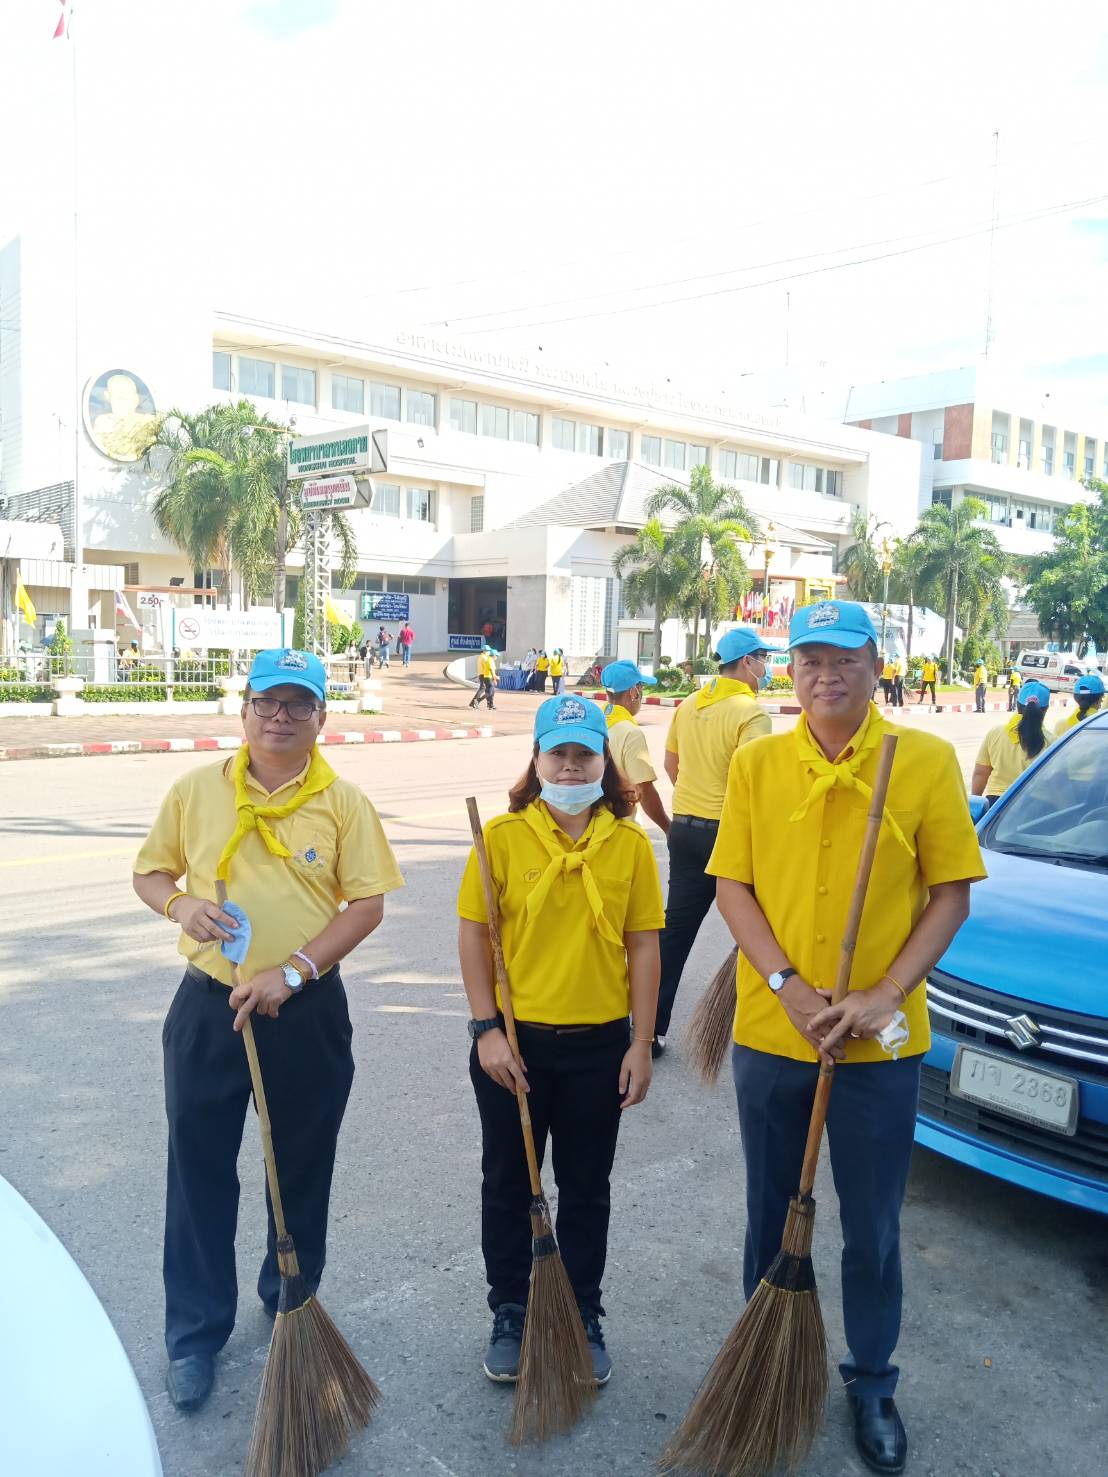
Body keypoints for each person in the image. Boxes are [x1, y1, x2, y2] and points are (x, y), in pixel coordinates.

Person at [706, 599, 984, 1475]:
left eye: (846, 659)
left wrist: (881, 993)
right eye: (810, 659)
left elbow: (950, 894)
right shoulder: (757, 763)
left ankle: (872, 1380)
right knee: (769, 1215)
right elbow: (732, 888)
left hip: (880, 1042)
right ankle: (769, 1362)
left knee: (872, 1225)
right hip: (774, 1030)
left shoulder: (926, 761)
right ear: (789, 669)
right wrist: (787, 985)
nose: (826, 674)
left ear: (877, 666)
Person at [132, 648, 404, 1413]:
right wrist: (181, 906)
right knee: (198, 1169)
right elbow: (151, 873)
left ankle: (291, 1301)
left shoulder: (343, 803)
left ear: (322, 716)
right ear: (243, 709)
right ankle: (193, 1334)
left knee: (300, 1166)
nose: (280, 716)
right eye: (268, 701)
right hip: (209, 1007)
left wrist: (293, 971)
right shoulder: (195, 791)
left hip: (305, 1011)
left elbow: (366, 904)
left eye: (298, 703)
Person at [457, 693, 664, 1386]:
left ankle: (582, 1308)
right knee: (509, 1181)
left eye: (585, 754)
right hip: (514, 1046)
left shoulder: (631, 844)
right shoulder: (503, 839)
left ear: (606, 764)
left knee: (585, 1186)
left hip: (599, 1047)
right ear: (537, 759)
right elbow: (474, 936)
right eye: (559, 753)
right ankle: (511, 1308)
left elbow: (643, 946)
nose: (571, 767)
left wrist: (640, 1043)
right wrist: (486, 1028)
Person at [654, 626, 779, 1057]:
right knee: (762, 928)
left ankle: (649, 1029)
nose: (766, 667)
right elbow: (756, 786)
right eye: (763, 658)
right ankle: (767, 1026)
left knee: (674, 932)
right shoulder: (750, 713)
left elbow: (672, 766)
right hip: (727, 836)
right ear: (747, 662)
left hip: (685, 830)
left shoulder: (689, 705)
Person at [601, 659, 671, 836]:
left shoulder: (597, 723)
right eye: (641, 688)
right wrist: (668, 828)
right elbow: (644, 790)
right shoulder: (630, 733)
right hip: (621, 829)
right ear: (634, 692)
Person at [972, 678, 1052, 808]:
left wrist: (975, 806)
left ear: (1018, 705)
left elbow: (980, 773)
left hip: (996, 805)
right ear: (1046, 709)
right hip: (1034, 806)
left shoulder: (995, 733)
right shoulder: (1051, 741)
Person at [470, 645, 497, 710]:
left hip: (482, 674)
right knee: (483, 689)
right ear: (485, 651)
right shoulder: (485, 657)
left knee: (486, 689)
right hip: (484, 674)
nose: (489, 652)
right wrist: (494, 676)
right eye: (488, 651)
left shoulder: (481, 656)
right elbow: (488, 667)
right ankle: (475, 702)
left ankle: (489, 704)